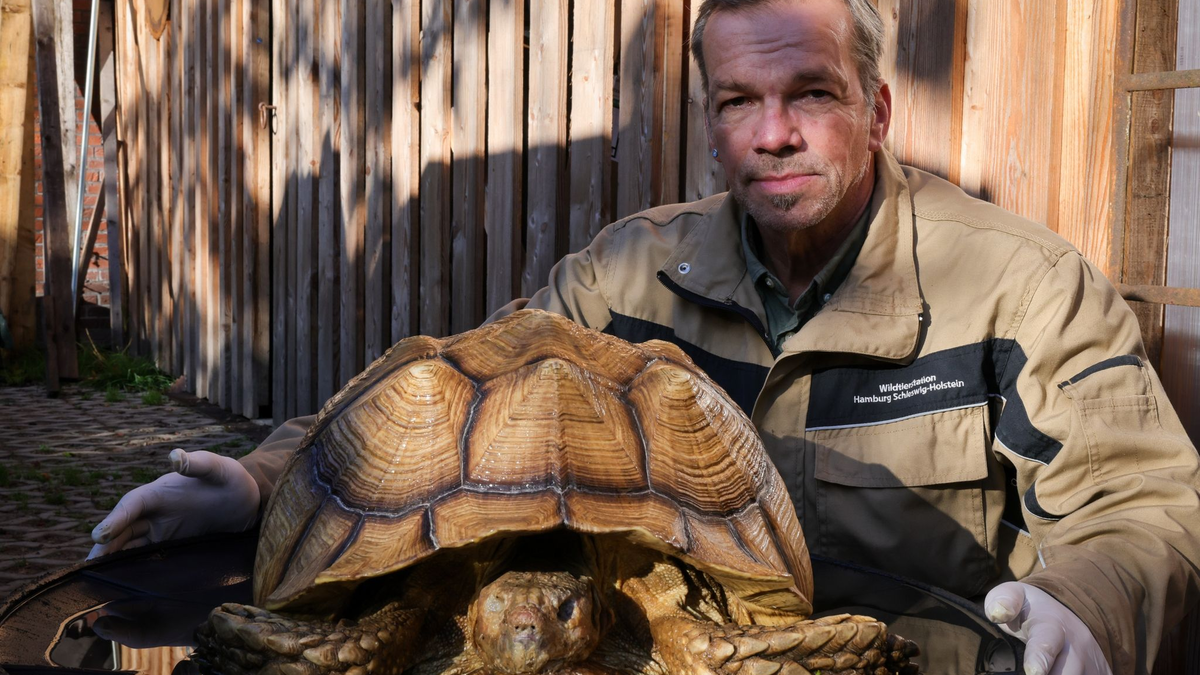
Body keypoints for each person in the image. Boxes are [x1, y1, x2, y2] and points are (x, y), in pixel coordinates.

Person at [89, 1, 1200, 673]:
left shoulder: (1018, 287)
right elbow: (438, 399)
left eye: (809, 92)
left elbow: (1141, 507)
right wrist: (263, 476)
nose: (771, 134)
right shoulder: (628, 274)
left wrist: (1087, 602)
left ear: (876, 107)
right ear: (711, 119)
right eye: (735, 101)